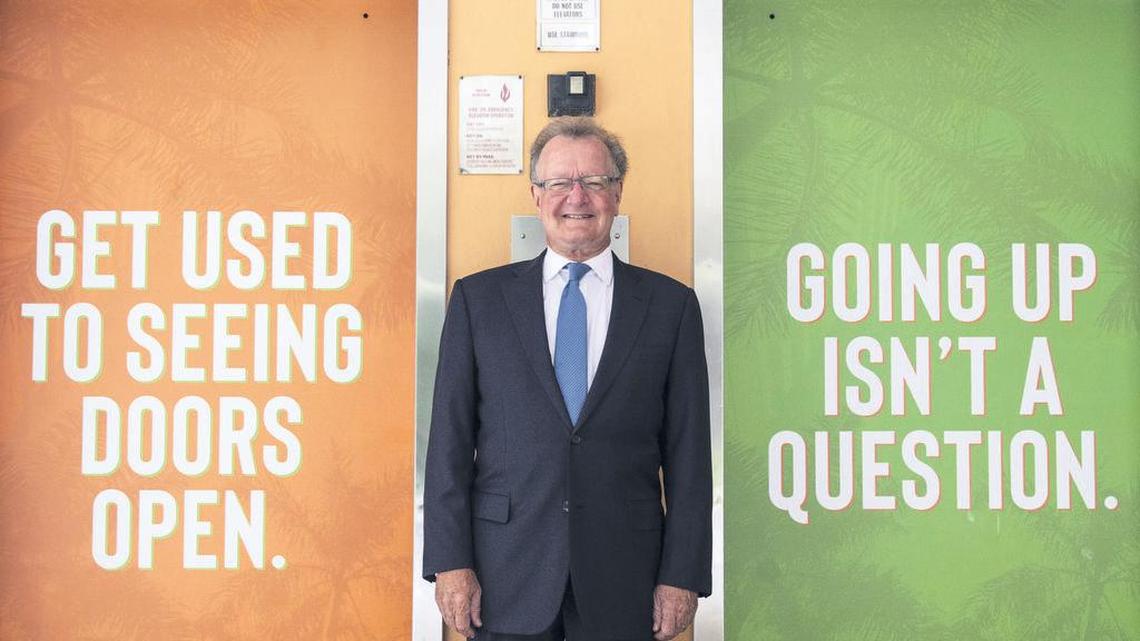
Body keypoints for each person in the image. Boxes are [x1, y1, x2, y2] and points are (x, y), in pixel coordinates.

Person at [423, 117, 711, 641]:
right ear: (536, 195)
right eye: (559, 182)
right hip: (503, 579)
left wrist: (682, 575)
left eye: (594, 181)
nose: (576, 197)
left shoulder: (670, 307)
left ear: (617, 192)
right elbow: (449, 445)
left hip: (627, 580)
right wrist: (449, 564)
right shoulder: (478, 302)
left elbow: (690, 457)